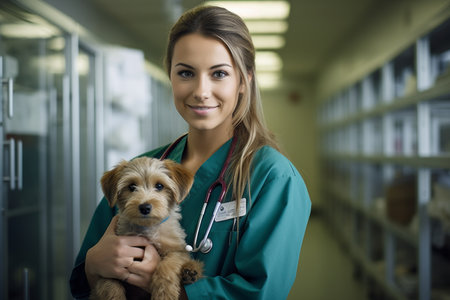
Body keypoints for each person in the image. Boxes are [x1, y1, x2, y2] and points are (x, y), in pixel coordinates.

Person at [70, 5, 311, 300]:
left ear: (244, 81)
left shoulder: (273, 177)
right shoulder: (137, 171)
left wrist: (172, 287)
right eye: (186, 72)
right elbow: (82, 279)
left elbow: (264, 292)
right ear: (170, 75)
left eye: (219, 73)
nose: (200, 90)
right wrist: (93, 266)